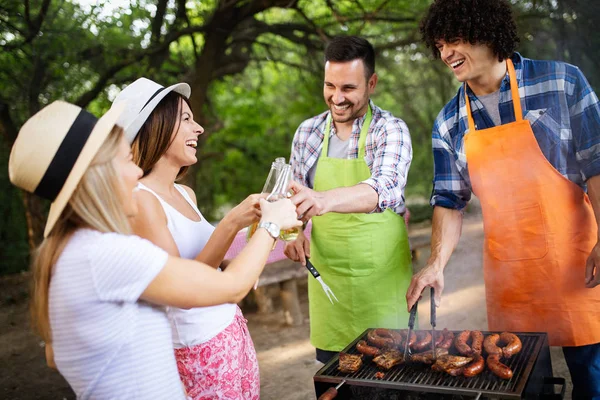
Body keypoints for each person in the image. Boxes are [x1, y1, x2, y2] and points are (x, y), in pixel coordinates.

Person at [8, 100, 300, 399]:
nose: (137, 174)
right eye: (125, 160)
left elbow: (55, 357)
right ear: (98, 175)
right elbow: (232, 286)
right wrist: (271, 225)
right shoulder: (104, 254)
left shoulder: (70, 253)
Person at [405, 0, 600, 397]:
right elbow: (448, 200)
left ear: (487, 31)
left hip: (578, 262)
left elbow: (597, 164)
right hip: (510, 279)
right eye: (439, 45)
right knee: (526, 386)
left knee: (593, 379)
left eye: (454, 40)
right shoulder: (449, 121)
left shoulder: (562, 82)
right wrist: (434, 264)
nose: (445, 54)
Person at [111, 77, 262, 399]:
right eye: (186, 119)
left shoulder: (185, 192)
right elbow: (183, 288)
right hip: (198, 352)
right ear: (157, 127)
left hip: (231, 331)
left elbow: (208, 258)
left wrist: (260, 245)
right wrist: (231, 221)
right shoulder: (141, 200)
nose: (199, 129)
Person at [284, 36, 414, 364]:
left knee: (391, 378)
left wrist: (324, 200)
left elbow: (383, 189)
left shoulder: (390, 130)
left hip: (382, 282)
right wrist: (293, 231)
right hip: (329, 282)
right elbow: (292, 198)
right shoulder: (307, 133)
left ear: (372, 83)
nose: (337, 98)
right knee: (333, 380)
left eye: (348, 89)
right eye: (330, 86)